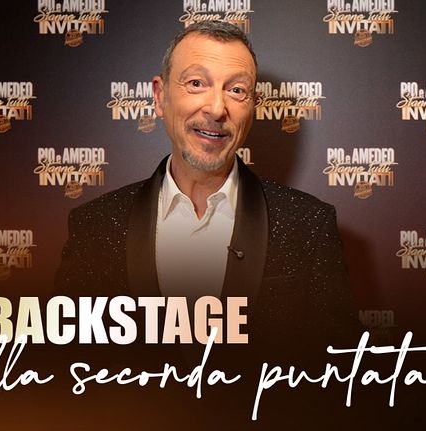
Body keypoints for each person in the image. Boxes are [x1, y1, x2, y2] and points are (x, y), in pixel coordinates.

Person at [55, 21, 358, 353]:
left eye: (236, 90)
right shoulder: (94, 227)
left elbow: (338, 369)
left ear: (252, 106)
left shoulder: (309, 226)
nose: (216, 108)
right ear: (159, 96)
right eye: (196, 83)